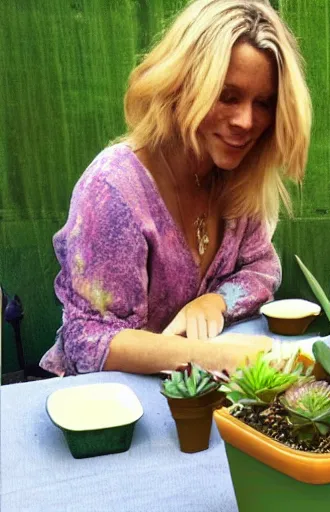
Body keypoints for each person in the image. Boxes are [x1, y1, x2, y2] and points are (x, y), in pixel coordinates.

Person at [39, 0, 312, 377]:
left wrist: (215, 302)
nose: (247, 121)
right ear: (181, 84)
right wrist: (213, 356)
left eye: (263, 103)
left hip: (197, 400)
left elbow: (262, 267)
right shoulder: (114, 188)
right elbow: (89, 341)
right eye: (227, 96)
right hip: (109, 412)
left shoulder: (235, 178)